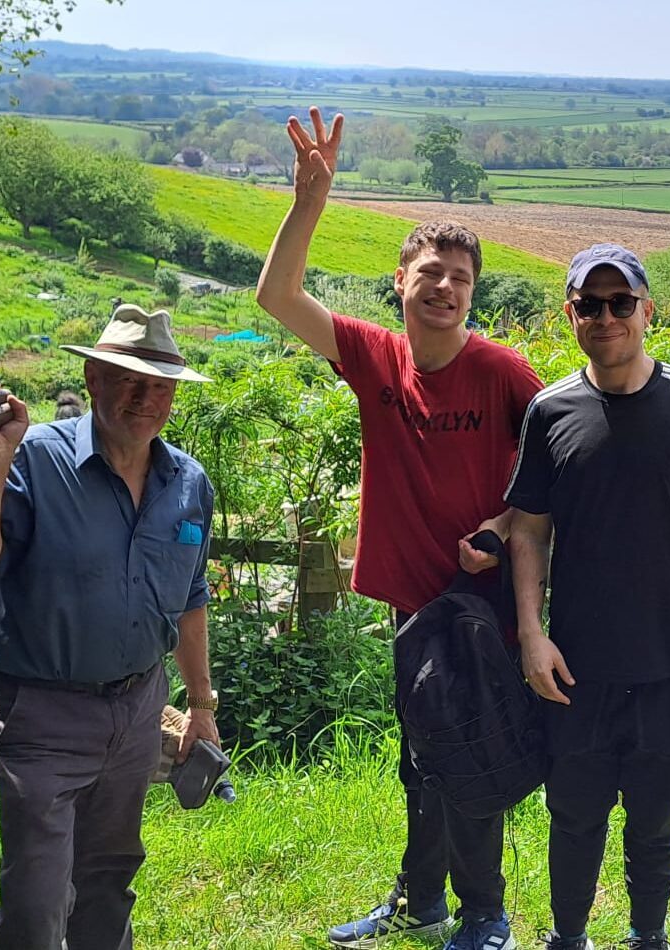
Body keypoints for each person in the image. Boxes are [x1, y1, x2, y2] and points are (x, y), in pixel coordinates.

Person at [257, 106, 544, 950]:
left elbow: (557, 475)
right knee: (421, 758)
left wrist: (499, 524)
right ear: (401, 280)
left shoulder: (503, 373)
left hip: (480, 605)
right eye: (431, 270)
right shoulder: (375, 358)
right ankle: (421, 903)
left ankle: (485, 913)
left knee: (470, 754)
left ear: (472, 292)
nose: (445, 286)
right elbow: (276, 296)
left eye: (461, 276)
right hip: (410, 607)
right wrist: (309, 203)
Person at [0, 304, 222, 950]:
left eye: (160, 383)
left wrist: (200, 704)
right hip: (41, 711)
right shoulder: (33, 460)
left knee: (109, 878)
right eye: (127, 378)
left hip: (138, 709)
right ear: (93, 377)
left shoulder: (189, 485)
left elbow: (191, 599)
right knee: (38, 899)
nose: (144, 397)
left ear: (176, 392)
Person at [507, 243, 670, 950]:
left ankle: (649, 936)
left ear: (648, 311)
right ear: (570, 315)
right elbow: (529, 532)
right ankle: (570, 938)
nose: (606, 317)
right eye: (590, 305)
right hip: (576, 665)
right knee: (573, 817)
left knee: (655, 820)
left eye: (621, 303)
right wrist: (530, 634)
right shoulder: (550, 411)